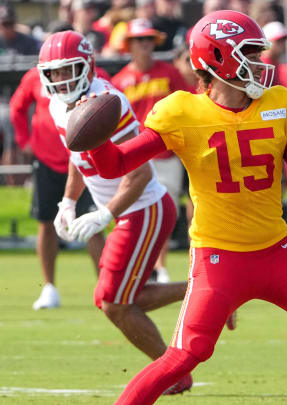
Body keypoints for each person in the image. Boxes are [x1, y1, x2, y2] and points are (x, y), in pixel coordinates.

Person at [84, 11, 287, 404]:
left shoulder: (281, 104)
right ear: (219, 59)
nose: (260, 63)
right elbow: (116, 164)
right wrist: (94, 137)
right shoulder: (182, 112)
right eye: (250, 54)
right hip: (220, 258)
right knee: (185, 356)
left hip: (278, 251)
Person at [38, 30, 193, 395]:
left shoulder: (107, 102)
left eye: (68, 70)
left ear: (88, 65)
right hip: (127, 211)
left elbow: (139, 173)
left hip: (144, 207)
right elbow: (78, 157)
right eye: (54, 73)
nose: (61, 80)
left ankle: (173, 372)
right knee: (121, 299)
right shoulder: (57, 105)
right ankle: (203, 293)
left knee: (113, 302)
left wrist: (104, 214)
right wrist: (69, 202)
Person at [10, 66, 104, 310]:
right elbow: (17, 107)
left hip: (84, 160)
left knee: (92, 223)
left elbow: (112, 108)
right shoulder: (34, 77)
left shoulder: (95, 78)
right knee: (46, 222)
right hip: (47, 159)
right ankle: (49, 287)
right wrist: (24, 140)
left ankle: (105, 287)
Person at [112, 18, 195, 283]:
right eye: (140, 40)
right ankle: (135, 267)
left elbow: (188, 105)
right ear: (130, 45)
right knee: (132, 209)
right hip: (134, 157)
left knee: (165, 210)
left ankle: (160, 268)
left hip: (166, 153)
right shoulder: (119, 80)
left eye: (149, 39)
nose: (146, 44)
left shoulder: (170, 73)